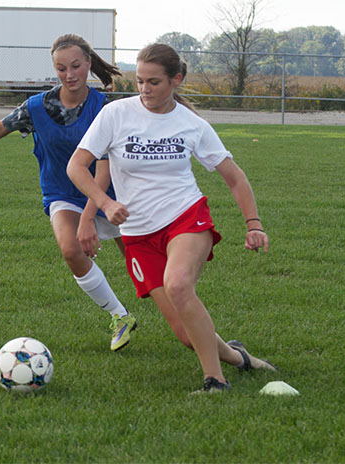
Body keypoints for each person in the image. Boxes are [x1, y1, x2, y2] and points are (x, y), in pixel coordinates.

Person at [67, 43, 277, 394]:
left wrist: (253, 224)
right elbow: (77, 166)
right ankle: (239, 358)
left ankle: (215, 382)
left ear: (176, 80)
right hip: (137, 233)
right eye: (140, 81)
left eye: (154, 82)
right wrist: (104, 205)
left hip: (185, 217)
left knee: (179, 285)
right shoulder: (116, 114)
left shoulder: (191, 124)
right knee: (185, 334)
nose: (145, 90)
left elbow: (234, 177)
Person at [0, 34, 136, 352]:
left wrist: (90, 218)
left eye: (76, 66)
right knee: (70, 250)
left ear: (89, 64)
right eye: (61, 68)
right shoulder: (38, 107)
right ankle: (120, 316)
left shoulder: (104, 109)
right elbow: (0, 127)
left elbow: (105, 170)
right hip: (62, 193)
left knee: (144, 271)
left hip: (107, 194)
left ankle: (189, 323)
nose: (69, 74)